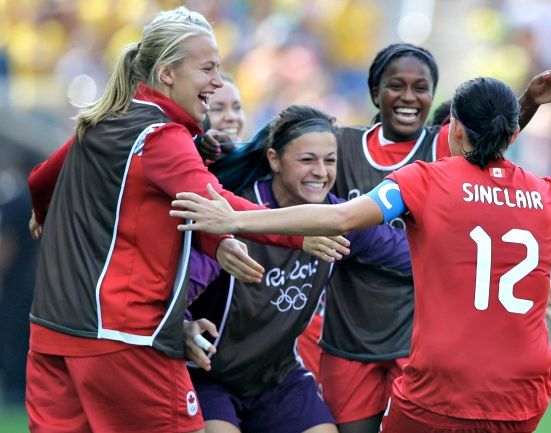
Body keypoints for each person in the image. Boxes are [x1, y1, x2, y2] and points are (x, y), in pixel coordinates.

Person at [170, 76, 551, 433]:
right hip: (524, 391)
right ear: (514, 133)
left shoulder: (425, 181)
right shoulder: (547, 194)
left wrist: (233, 219)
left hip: (439, 390)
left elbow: (338, 217)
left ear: (453, 129)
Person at [25, 8, 347, 433]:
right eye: (208, 68)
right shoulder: (162, 137)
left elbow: (40, 178)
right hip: (125, 339)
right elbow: (217, 204)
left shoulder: (104, 122)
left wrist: (44, 213)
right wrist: (298, 233)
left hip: (52, 333)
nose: (217, 80)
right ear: (168, 73)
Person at [323, 43, 551, 433]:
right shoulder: (341, 146)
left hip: (417, 343)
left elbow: (490, 138)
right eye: (396, 85)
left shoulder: (439, 150)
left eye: (421, 87)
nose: (409, 96)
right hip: (350, 334)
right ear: (375, 92)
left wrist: (529, 101)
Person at [184, 105, 414, 433]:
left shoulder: (340, 218)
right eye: (307, 160)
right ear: (274, 160)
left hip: (279, 380)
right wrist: (183, 326)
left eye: (329, 160)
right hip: (211, 377)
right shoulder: (236, 212)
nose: (320, 171)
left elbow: (408, 255)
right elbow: (183, 282)